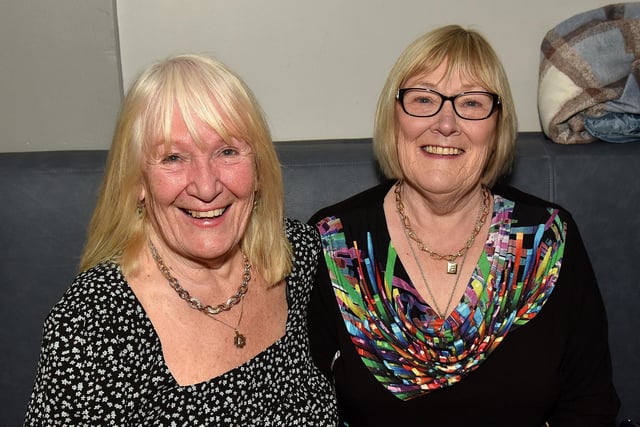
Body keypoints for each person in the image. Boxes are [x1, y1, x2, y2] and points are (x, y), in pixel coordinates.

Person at [308, 25, 619, 426]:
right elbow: (306, 406)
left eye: (471, 104)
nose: (445, 123)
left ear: (496, 127)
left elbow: (589, 405)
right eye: (423, 99)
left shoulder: (547, 240)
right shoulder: (333, 243)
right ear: (394, 117)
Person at [24, 54, 338, 425]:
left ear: (259, 170)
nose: (206, 187)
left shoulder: (297, 255)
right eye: (173, 157)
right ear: (138, 181)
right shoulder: (93, 324)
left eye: (227, 151)